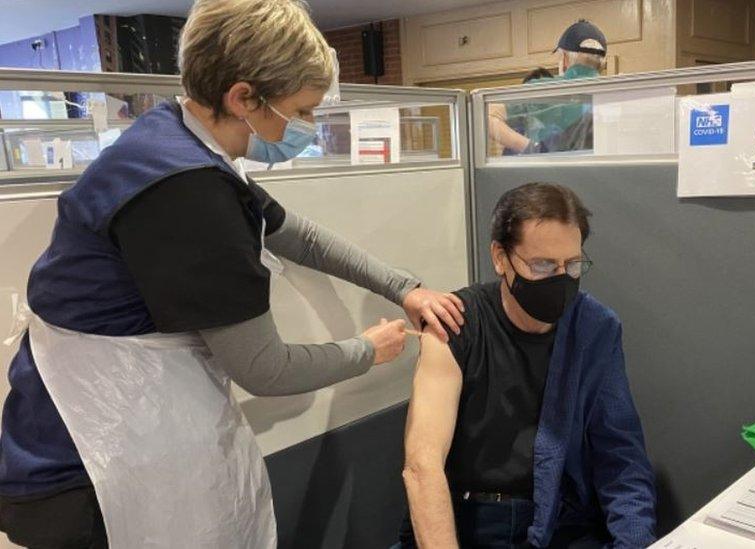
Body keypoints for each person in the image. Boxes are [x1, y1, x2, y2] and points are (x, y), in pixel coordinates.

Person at [0, 1, 464, 547]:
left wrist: (401, 286)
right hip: (83, 477)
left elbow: (297, 234)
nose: (308, 128)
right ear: (244, 97)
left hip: (94, 444)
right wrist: (368, 350)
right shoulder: (187, 192)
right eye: (303, 110)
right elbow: (266, 370)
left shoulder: (173, 140)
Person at [399, 183, 656, 548]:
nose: (560, 277)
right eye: (542, 265)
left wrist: (633, 542)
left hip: (558, 519)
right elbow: (422, 466)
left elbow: (621, 457)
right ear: (501, 258)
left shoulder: (594, 328)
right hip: (469, 520)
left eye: (572, 264)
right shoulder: (455, 323)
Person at [489, 20, 607, 155]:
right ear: (602, 63)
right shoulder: (616, 92)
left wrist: (532, 149)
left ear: (564, 58)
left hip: (549, 175)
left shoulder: (544, 90)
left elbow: (488, 116)